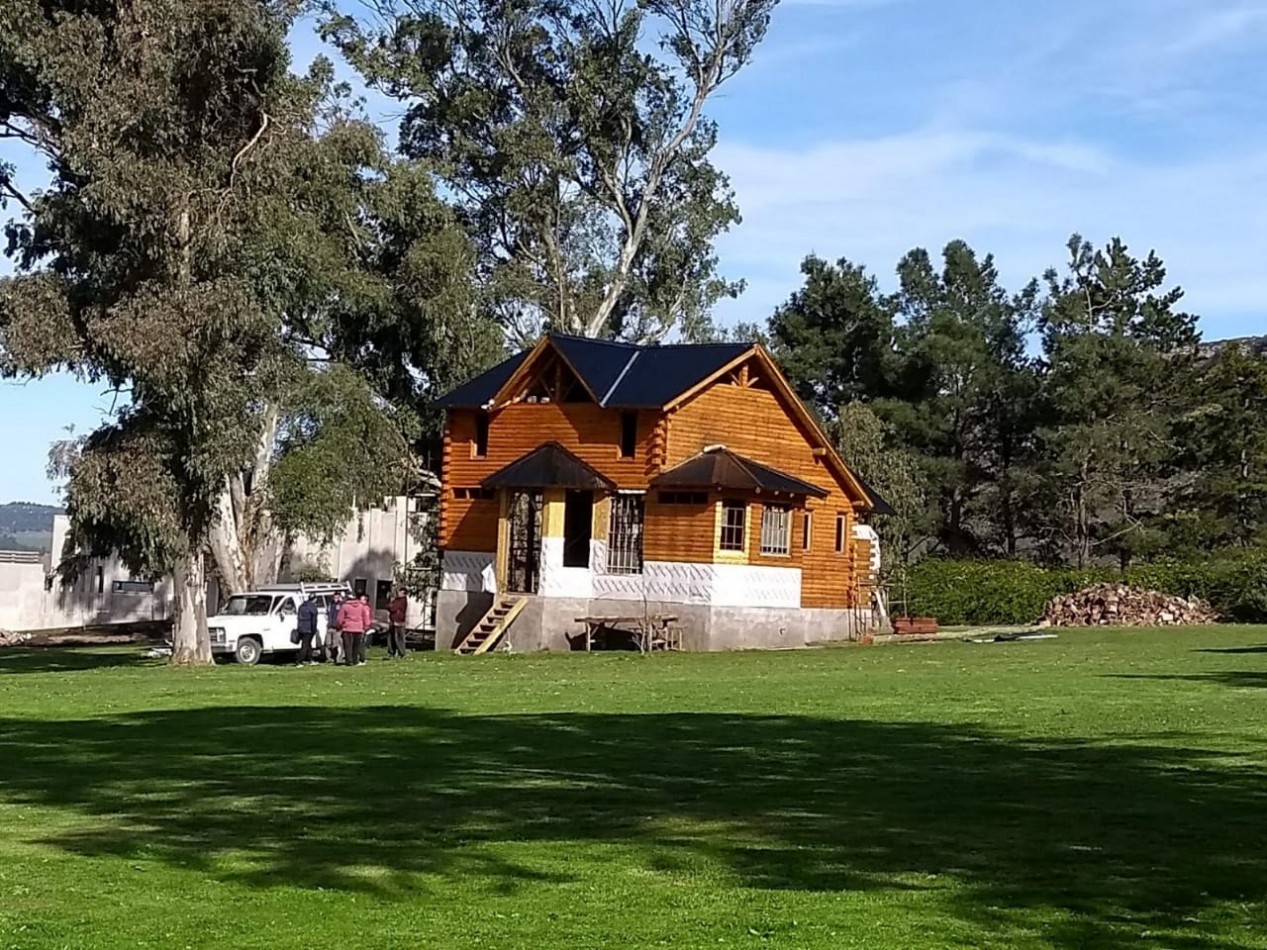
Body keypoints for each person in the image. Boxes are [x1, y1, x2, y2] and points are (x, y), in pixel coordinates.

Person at [338, 593, 373, 666]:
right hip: (358, 628)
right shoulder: (361, 606)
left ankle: (349, 660)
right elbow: (365, 617)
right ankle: (355, 660)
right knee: (356, 645)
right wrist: (366, 626)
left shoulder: (345, 606)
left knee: (348, 645)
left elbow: (340, 618)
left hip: (347, 628)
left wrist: (340, 625)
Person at [295, 592, 320, 665]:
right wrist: (314, 629)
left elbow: (299, 617)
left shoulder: (302, 606)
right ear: (315, 599)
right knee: (305, 645)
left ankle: (311, 659)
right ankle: (299, 661)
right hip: (308, 629)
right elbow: (314, 620)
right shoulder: (312, 607)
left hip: (301, 628)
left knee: (308, 645)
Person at [387, 588, 409, 659]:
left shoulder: (402, 601)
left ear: (404, 594)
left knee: (398, 638)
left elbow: (393, 608)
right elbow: (388, 606)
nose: (399, 593)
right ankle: (392, 652)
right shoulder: (396, 600)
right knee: (391, 638)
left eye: (401, 593)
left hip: (398, 622)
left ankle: (401, 653)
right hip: (393, 621)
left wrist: (391, 607)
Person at [326, 592, 344, 664]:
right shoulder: (330, 604)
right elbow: (328, 613)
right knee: (328, 643)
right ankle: (329, 658)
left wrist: (339, 625)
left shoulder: (341, 605)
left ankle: (338, 658)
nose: (335, 599)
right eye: (334, 597)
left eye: (337, 597)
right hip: (330, 626)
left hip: (337, 627)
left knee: (336, 643)